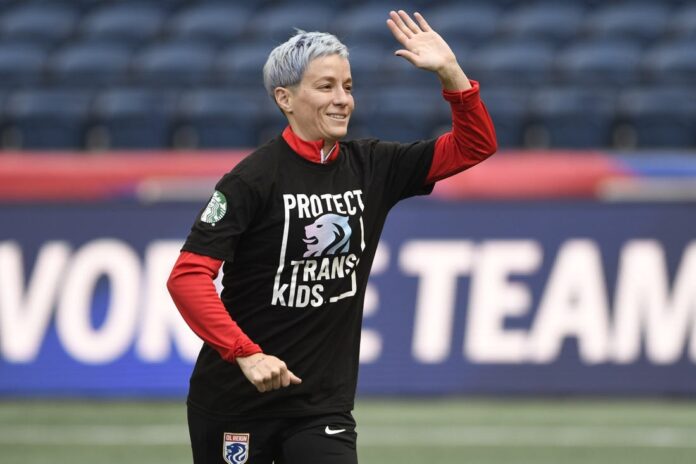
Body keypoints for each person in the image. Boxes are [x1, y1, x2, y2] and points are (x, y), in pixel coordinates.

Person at [167, 10, 496, 464]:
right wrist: (246, 354)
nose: (343, 100)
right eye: (326, 87)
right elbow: (187, 277)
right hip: (234, 402)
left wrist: (450, 72)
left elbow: (474, 145)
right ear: (285, 98)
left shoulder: (373, 166)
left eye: (348, 86)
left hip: (321, 407)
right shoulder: (251, 179)